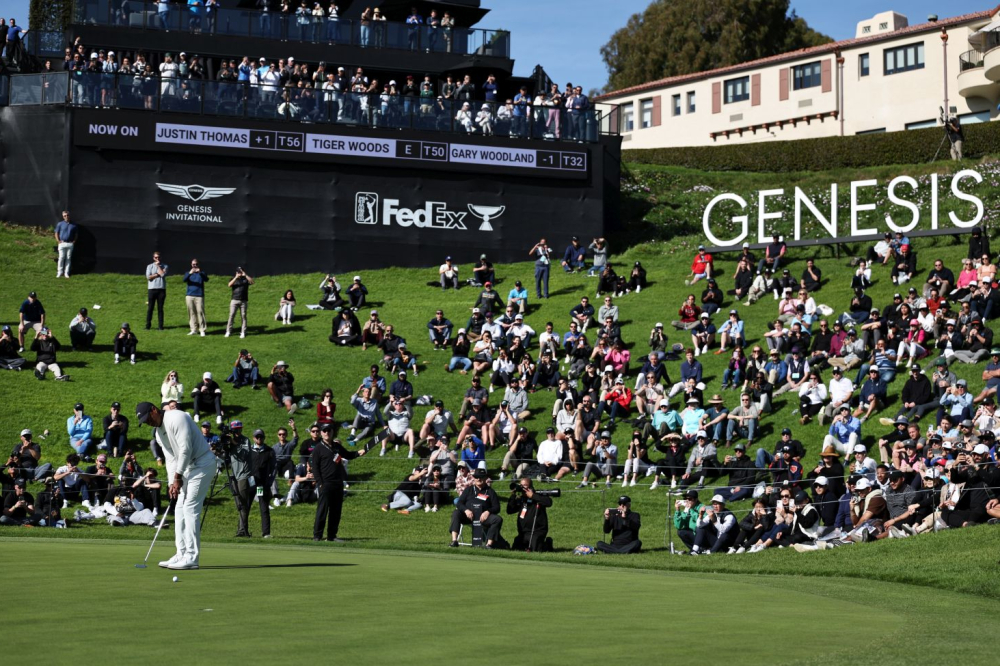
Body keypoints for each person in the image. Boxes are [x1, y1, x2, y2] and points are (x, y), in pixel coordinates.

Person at [135, 402, 216, 569]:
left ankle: (192, 557)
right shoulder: (158, 433)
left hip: (202, 463)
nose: (148, 422)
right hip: (186, 469)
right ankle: (181, 553)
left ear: (154, 410)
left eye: (148, 418)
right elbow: (171, 458)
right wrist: (172, 482)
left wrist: (178, 477)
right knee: (179, 507)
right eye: (144, 421)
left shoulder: (177, 417)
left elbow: (185, 449)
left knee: (190, 508)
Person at [312, 423, 367, 541]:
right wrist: (320, 483)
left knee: (336, 511)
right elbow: (315, 468)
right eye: (324, 430)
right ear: (321, 433)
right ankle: (317, 536)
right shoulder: (318, 448)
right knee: (322, 510)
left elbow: (348, 455)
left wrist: (358, 453)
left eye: (329, 430)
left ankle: (332, 536)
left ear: (332, 432)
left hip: (337, 483)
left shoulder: (337, 446)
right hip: (325, 483)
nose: (327, 432)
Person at [448, 467, 503, 548]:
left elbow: (497, 507)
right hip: (468, 516)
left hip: (483, 518)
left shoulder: (490, 491)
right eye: (476, 477)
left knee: (498, 519)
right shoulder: (468, 490)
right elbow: (459, 503)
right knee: (456, 513)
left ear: (485, 478)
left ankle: (489, 544)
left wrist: (488, 511)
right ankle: (454, 541)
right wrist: (466, 510)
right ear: (473, 478)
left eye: (481, 477)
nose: (478, 479)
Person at [507, 477, 553, 551]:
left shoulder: (537, 495)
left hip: (537, 531)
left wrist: (532, 496)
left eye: (524, 485)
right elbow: (510, 510)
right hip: (524, 532)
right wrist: (513, 495)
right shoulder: (521, 499)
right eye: (521, 485)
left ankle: (548, 544)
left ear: (530, 486)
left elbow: (549, 502)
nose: (522, 487)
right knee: (516, 548)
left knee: (535, 548)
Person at [248, 429, 276, 538]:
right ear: (253, 438)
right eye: (257, 437)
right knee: (246, 507)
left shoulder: (269, 451)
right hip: (250, 483)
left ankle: (266, 533)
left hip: (261, 484)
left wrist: (269, 482)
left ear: (264, 437)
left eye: (261, 437)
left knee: (264, 507)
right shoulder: (249, 450)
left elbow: (274, 468)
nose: (259, 439)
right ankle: (243, 530)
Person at [225, 267, 254, 338]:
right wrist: (236, 277)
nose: (239, 273)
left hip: (243, 300)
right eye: (238, 272)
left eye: (240, 272)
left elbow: (252, 282)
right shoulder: (233, 279)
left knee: (243, 316)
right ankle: (228, 331)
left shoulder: (245, 279)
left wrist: (245, 275)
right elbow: (229, 285)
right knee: (231, 315)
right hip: (234, 300)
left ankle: (243, 332)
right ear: (236, 272)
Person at [182, 258, 209, 336]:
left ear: (198, 265)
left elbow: (206, 279)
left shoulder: (202, 273)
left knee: (200, 312)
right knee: (191, 312)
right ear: (191, 264)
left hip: (199, 295)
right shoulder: (188, 273)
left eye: (196, 264)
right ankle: (193, 329)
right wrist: (190, 273)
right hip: (189, 295)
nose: (195, 266)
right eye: (194, 264)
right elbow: (184, 280)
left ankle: (202, 330)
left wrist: (200, 272)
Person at [145, 251, 167, 331]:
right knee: (150, 308)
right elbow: (148, 277)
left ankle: (160, 326)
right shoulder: (149, 266)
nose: (157, 259)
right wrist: (157, 275)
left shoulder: (165, 266)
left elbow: (163, 274)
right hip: (152, 289)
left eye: (158, 257)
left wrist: (158, 267)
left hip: (161, 289)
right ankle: (148, 325)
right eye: (155, 257)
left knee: (160, 308)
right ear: (153, 258)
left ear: (160, 258)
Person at [54, 210, 78, 279]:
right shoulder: (60, 224)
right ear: (63, 216)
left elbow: (76, 234)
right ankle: (59, 272)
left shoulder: (74, 224)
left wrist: (74, 241)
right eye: (65, 216)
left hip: (70, 243)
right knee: (61, 258)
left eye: (67, 215)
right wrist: (58, 241)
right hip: (62, 243)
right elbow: (56, 233)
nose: (66, 217)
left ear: (69, 215)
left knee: (68, 258)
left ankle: (66, 273)